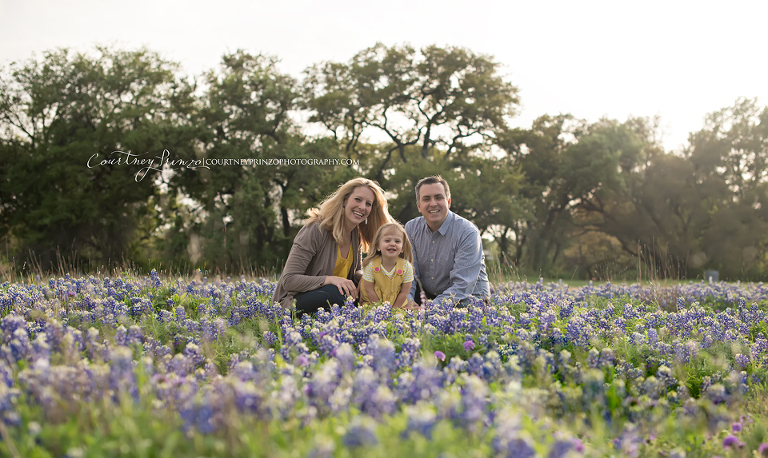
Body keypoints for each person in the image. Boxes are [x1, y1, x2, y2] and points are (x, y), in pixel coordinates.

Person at [272, 177, 392, 314]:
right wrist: (330, 280)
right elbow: (289, 280)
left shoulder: (355, 235)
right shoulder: (316, 229)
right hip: (294, 300)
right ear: (344, 200)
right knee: (335, 293)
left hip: (333, 298)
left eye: (368, 204)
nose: (362, 207)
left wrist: (367, 277)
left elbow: (355, 273)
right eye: (357, 199)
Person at [405, 176, 490, 306]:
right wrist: (408, 301)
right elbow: (409, 273)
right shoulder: (411, 228)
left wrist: (430, 308)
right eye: (426, 199)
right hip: (429, 296)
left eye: (438, 197)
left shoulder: (467, 232)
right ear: (419, 206)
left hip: (468, 297)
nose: (433, 203)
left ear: (448, 202)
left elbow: (462, 285)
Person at [359, 222, 414, 309]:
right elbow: (370, 291)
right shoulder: (371, 265)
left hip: (397, 306)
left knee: (401, 320)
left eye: (397, 241)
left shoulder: (406, 267)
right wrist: (381, 310)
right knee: (369, 318)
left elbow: (404, 293)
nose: (392, 244)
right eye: (387, 240)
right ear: (378, 246)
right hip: (373, 305)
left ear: (403, 248)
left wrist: (393, 311)